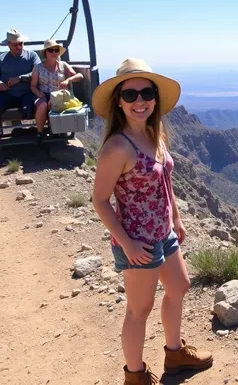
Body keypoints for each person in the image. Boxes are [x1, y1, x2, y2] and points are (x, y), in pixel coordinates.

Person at [92, 58, 213, 385]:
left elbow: (165, 182)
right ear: (118, 101)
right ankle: (135, 376)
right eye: (130, 95)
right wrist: (127, 243)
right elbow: (100, 201)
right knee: (138, 309)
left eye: (146, 92)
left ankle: (174, 355)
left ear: (155, 98)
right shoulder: (117, 147)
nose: (139, 100)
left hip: (163, 232)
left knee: (179, 286)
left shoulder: (154, 134)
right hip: (137, 242)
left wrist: (176, 217)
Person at [30, 39, 84, 143]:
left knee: (54, 104)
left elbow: (79, 76)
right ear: (45, 52)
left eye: (56, 50)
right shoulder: (38, 67)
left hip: (58, 95)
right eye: (51, 50)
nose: (54, 53)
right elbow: (33, 85)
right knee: (42, 105)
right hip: (43, 94)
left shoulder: (63, 65)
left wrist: (68, 80)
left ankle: (56, 130)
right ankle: (40, 132)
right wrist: (38, 93)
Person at [0, 29, 40, 119]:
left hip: (26, 93)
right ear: (8, 45)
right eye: (15, 45)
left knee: (28, 110)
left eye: (21, 43)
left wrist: (20, 78)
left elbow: (38, 71)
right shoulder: (1, 58)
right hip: (6, 93)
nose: (19, 47)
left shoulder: (32, 56)